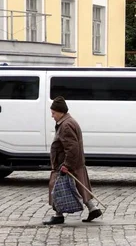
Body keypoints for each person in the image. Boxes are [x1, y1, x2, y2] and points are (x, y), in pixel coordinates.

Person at [43, 96, 103, 225]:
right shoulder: (69, 121)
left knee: (57, 188)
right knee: (79, 186)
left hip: (64, 164)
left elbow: (71, 147)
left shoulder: (66, 126)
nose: (52, 116)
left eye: (53, 113)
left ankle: (58, 215)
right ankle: (93, 208)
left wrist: (66, 165)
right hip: (74, 164)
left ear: (61, 112)